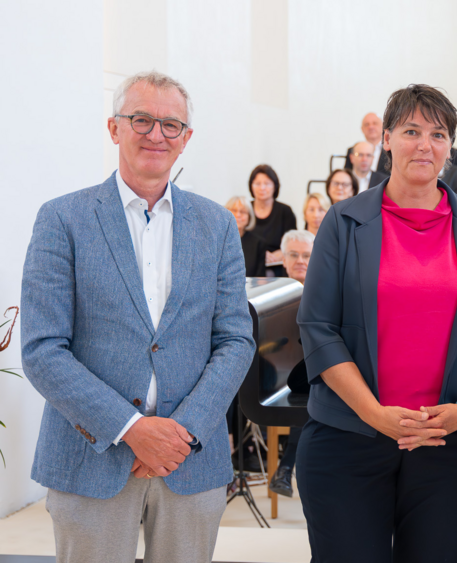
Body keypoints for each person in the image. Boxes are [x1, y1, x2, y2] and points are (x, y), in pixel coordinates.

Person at [20, 70, 255, 563]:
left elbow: (236, 339)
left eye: (171, 125)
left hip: (189, 460)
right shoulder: (62, 219)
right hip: (91, 459)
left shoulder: (216, 224)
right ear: (114, 128)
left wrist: (179, 433)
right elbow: (43, 350)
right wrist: (131, 429)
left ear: (186, 138)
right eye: (141, 120)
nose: (156, 135)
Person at [295, 84, 457, 562]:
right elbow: (318, 328)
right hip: (349, 437)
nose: (424, 145)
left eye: (438, 134)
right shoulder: (343, 221)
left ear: (450, 147)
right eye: (411, 131)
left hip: (448, 443)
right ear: (387, 139)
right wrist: (375, 414)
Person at [268, 230, 315, 498]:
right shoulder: (268, 297)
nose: (300, 261)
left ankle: (285, 468)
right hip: (273, 375)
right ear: (283, 259)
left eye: (307, 255)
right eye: (294, 255)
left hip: (309, 378)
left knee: (313, 392)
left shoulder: (326, 292)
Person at [249, 164, 297, 277]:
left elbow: (291, 244)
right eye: (257, 184)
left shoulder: (285, 211)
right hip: (250, 265)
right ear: (251, 186)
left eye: (267, 183)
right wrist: (260, 255)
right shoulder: (245, 210)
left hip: (277, 266)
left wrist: (274, 256)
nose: (262, 188)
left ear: (275, 186)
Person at [225, 195, 266, 277]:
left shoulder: (258, 243)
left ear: (249, 217)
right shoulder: (217, 240)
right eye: (234, 210)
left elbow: (260, 277)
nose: (238, 215)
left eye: (243, 212)